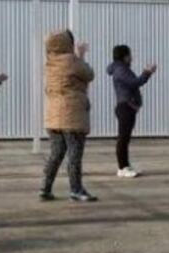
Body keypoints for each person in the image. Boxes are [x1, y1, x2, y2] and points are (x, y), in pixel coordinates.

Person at [40, 30, 96, 201]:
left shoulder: (50, 63)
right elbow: (89, 74)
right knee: (74, 153)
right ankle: (76, 189)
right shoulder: (71, 61)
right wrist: (81, 55)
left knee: (55, 154)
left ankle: (45, 188)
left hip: (53, 116)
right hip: (72, 115)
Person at [107, 44, 157, 178]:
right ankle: (122, 167)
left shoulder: (121, 69)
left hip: (127, 107)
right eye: (130, 55)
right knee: (123, 138)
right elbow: (135, 82)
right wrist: (147, 72)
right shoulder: (121, 70)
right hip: (125, 107)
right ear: (124, 57)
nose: (132, 58)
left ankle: (126, 165)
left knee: (125, 138)